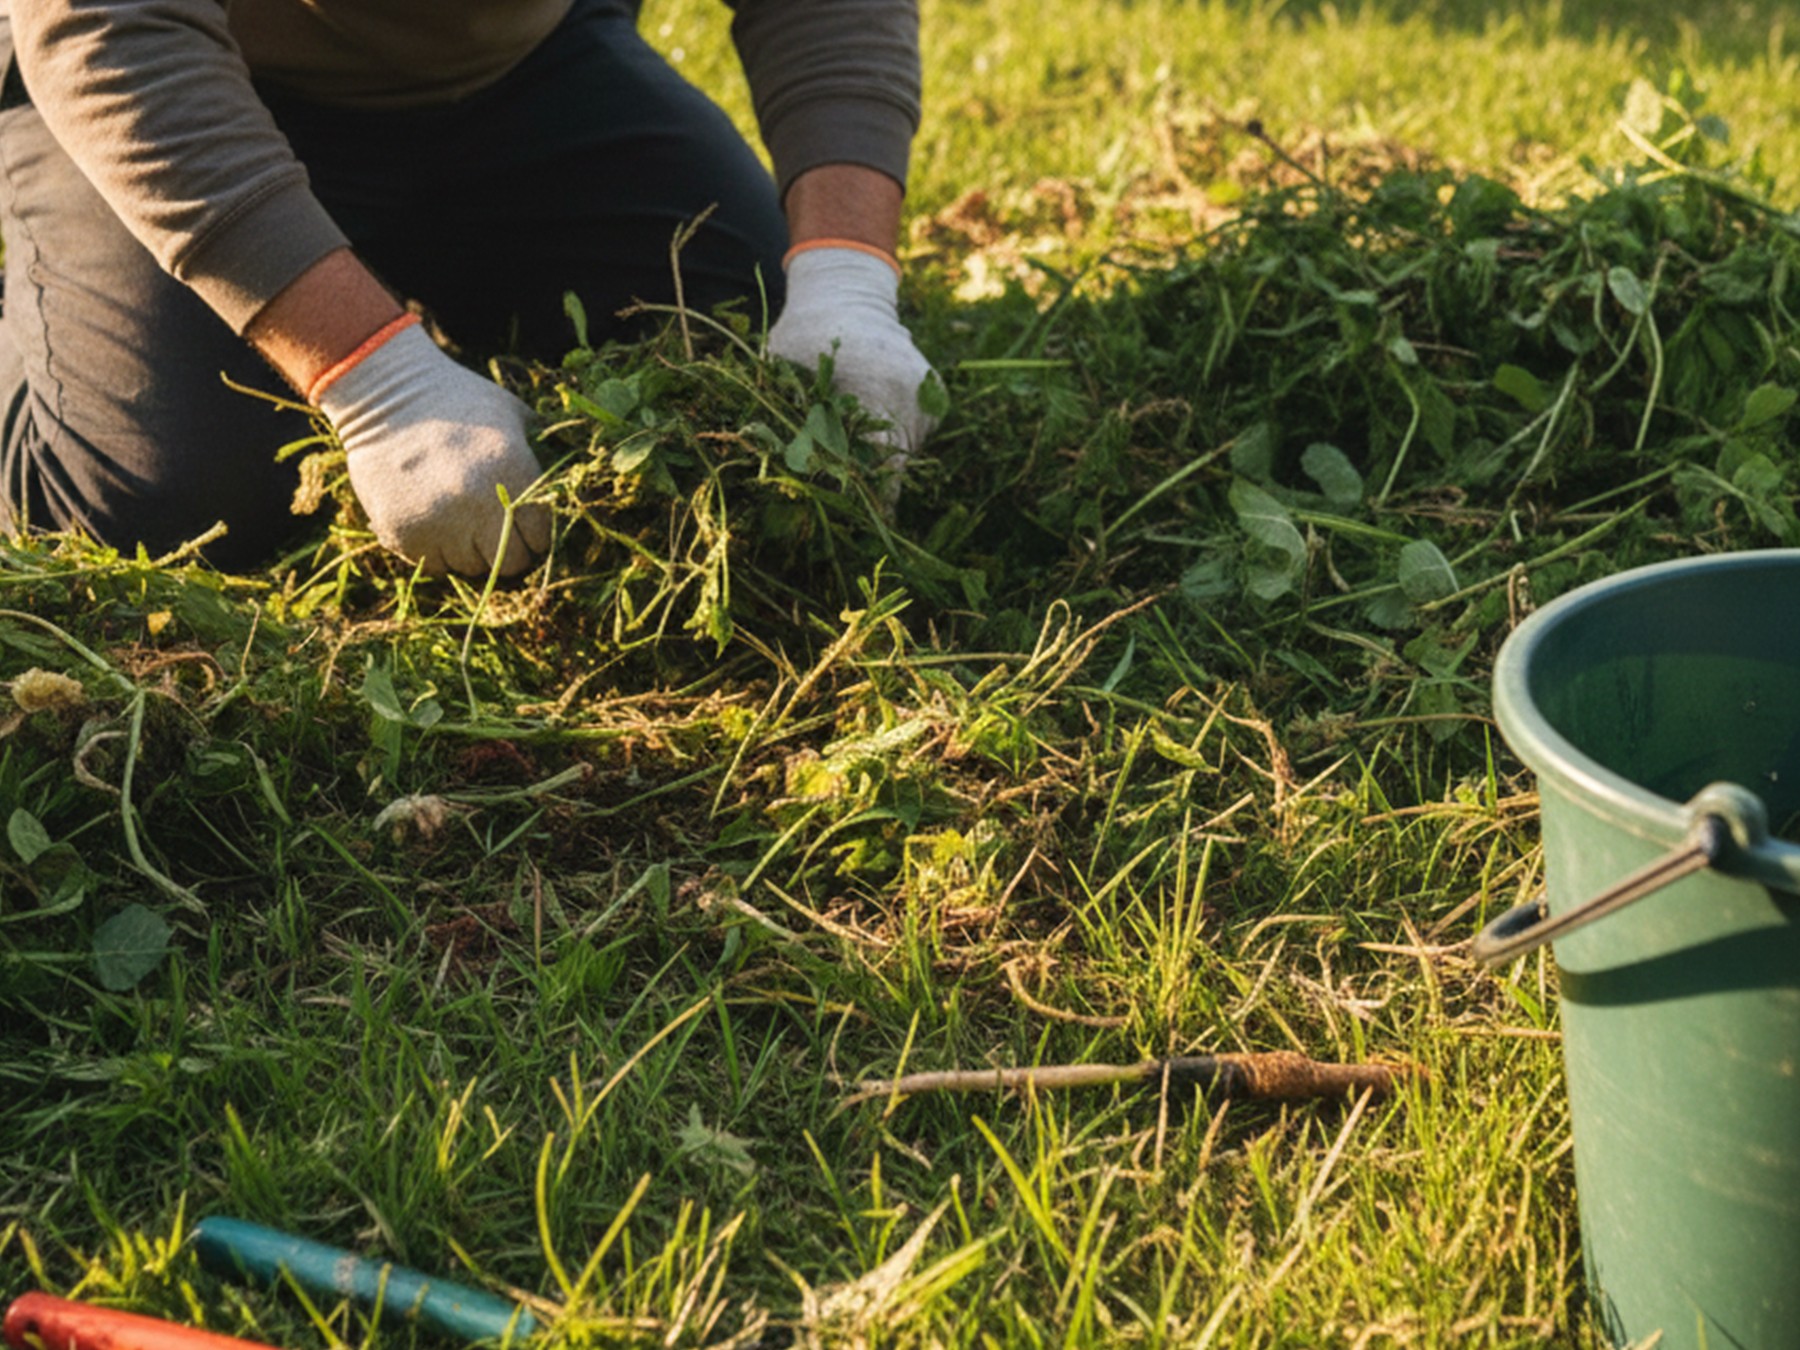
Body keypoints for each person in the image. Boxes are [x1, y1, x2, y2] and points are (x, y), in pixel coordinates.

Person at [0, 0, 941, 575]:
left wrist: (844, 278)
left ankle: (383, 265)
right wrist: (378, 382)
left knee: (731, 323)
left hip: (512, 62)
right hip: (185, 72)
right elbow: (108, 21)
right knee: (158, 497)